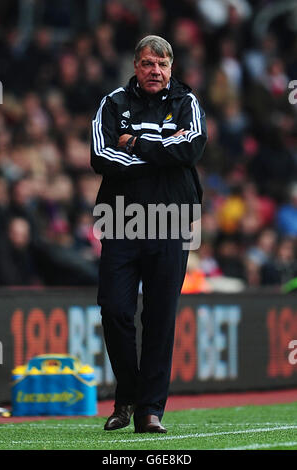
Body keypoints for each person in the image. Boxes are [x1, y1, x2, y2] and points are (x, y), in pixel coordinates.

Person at [90, 35, 207, 433]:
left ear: (171, 67)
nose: (154, 71)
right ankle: (129, 394)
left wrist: (137, 144)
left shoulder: (186, 102)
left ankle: (148, 410)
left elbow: (190, 150)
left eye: (161, 64)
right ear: (135, 66)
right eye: (146, 63)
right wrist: (161, 154)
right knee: (115, 309)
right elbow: (101, 156)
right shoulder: (113, 103)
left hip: (172, 220)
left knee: (160, 318)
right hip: (121, 219)